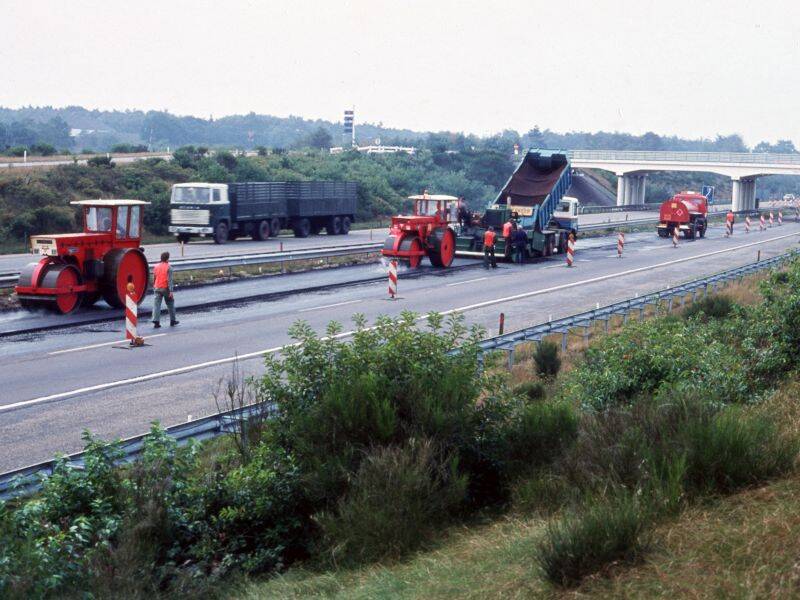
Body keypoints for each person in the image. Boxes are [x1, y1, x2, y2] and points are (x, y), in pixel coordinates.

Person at [152, 252, 179, 328]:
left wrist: (154, 286)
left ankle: (156, 321)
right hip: (165, 288)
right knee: (170, 303)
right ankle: (173, 321)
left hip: (157, 287)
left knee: (156, 305)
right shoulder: (169, 267)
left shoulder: (156, 266)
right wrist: (171, 291)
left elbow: (154, 277)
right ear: (167, 258)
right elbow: (170, 280)